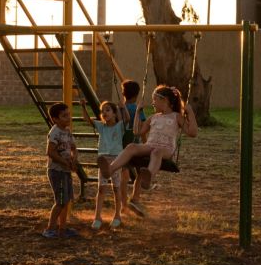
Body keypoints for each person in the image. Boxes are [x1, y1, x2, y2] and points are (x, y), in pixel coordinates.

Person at [98, 85, 198, 191]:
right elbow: (137, 131)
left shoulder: (176, 116)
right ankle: (110, 169)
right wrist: (137, 112)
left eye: (154, 99)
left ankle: (148, 177)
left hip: (166, 149)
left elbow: (193, 133)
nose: (152, 103)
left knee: (156, 152)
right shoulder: (153, 118)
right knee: (131, 146)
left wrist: (190, 112)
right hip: (150, 145)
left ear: (164, 100)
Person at [80, 100, 127, 230]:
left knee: (116, 188)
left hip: (116, 160)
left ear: (114, 113)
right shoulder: (101, 126)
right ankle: (97, 216)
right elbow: (87, 120)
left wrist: (122, 109)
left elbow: (127, 119)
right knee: (101, 188)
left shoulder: (119, 126)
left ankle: (117, 215)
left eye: (108, 110)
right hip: (104, 160)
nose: (104, 113)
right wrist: (84, 106)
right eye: (102, 111)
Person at [42, 102, 79, 239]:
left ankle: (63, 227)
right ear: (55, 119)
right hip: (57, 171)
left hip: (65, 171)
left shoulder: (67, 131)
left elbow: (74, 147)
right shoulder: (55, 132)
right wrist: (65, 162)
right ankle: (50, 228)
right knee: (60, 201)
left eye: (68, 114)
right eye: (64, 116)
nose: (68, 118)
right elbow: (50, 152)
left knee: (67, 199)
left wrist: (74, 159)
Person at [120, 79, 147, 217]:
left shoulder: (119, 108)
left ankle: (123, 205)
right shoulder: (138, 109)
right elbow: (142, 127)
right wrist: (146, 143)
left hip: (122, 147)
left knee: (123, 176)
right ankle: (135, 198)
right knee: (141, 172)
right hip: (136, 146)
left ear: (123, 93)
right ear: (136, 95)